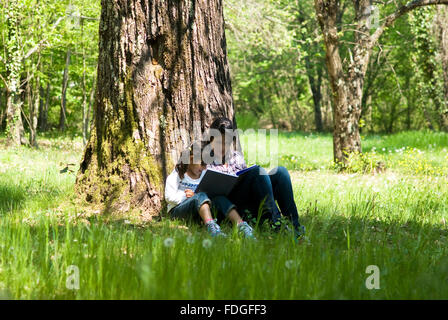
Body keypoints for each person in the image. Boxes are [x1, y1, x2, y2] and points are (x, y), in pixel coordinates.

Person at [206, 117, 306, 241]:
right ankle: (277, 224)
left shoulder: (236, 157)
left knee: (280, 172)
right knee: (257, 172)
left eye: (226, 143)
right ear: (211, 139)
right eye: (219, 142)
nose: (223, 147)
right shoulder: (204, 161)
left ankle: (296, 229)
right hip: (230, 209)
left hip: (250, 202)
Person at [164, 141, 255, 239]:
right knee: (200, 196)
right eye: (202, 164)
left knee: (220, 199)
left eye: (206, 165)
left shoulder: (204, 174)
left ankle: (242, 226)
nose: (204, 168)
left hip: (199, 211)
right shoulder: (178, 174)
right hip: (178, 212)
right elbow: (169, 197)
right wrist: (186, 196)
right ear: (191, 158)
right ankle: (212, 228)